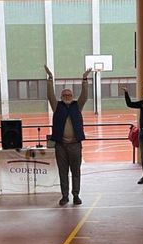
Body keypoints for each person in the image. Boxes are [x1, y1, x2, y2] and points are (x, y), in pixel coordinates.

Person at [45, 65, 92, 206]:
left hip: (75, 145)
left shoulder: (78, 105)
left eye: (69, 95)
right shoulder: (56, 106)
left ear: (72, 97)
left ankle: (76, 195)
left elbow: (85, 95)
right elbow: (49, 95)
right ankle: (64, 196)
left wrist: (84, 79)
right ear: (61, 97)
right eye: (64, 95)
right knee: (63, 172)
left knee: (76, 172)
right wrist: (50, 78)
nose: (67, 97)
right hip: (60, 146)